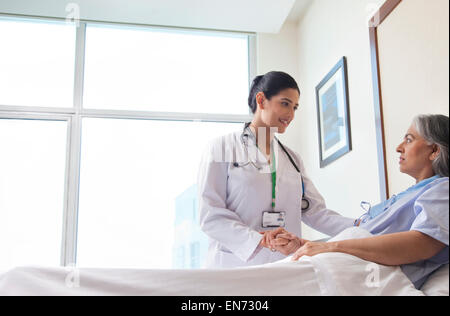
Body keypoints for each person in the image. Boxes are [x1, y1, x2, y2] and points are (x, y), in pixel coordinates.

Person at [266, 114, 449, 289]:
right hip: (347, 264)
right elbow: (367, 239)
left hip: (367, 275)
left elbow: (422, 244)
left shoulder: (443, 189)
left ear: (434, 150)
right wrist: (302, 244)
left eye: (409, 140)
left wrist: (330, 247)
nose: (399, 147)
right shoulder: (408, 196)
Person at [197, 71, 354, 268]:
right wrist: (258, 239)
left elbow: (315, 212)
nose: (291, 114)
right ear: (261, 100)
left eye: (295, 107)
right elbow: (211, 214)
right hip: (234, 264)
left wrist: (362, 226)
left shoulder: (292, 158)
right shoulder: (221, 148)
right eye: (285, 103)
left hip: (283, 263)